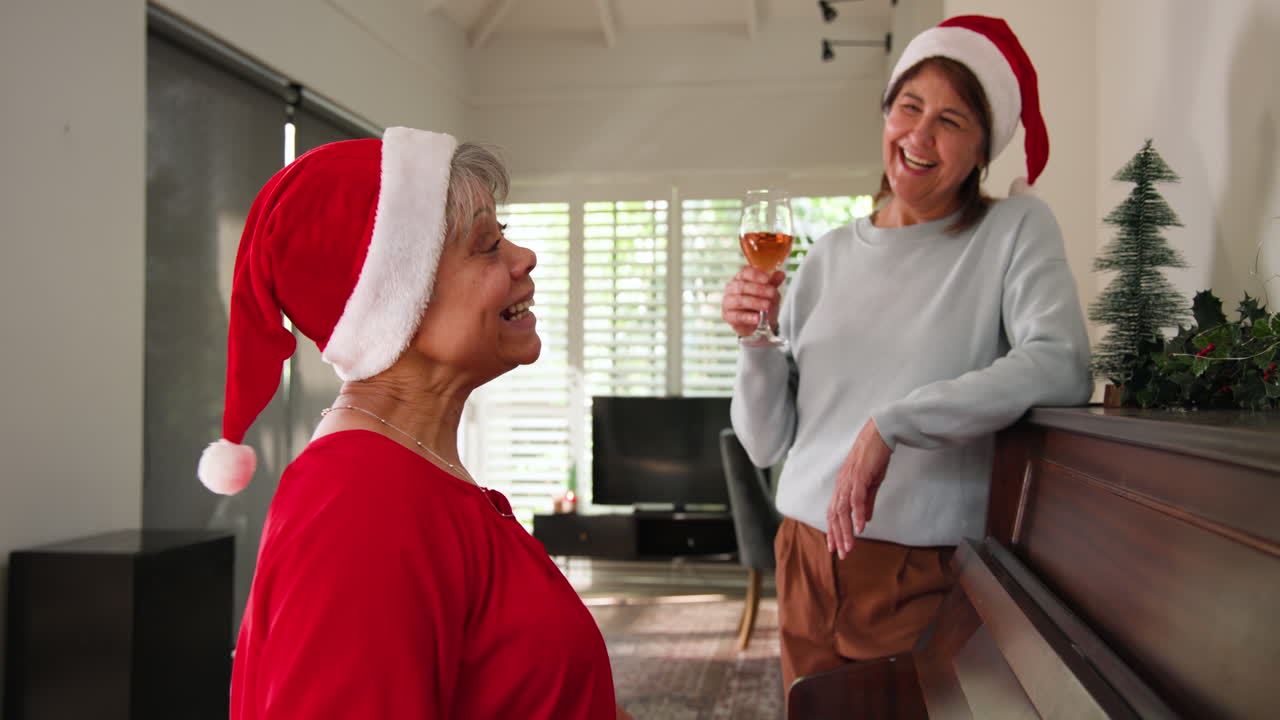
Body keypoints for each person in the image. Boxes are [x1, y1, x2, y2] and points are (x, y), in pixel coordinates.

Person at [196, 127, 629, 719]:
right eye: (486, 245)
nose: (524, 257)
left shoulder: (410, 472)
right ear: (398, 298)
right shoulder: (361, 502)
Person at [721, 16, 1092, 691]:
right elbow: (765, 443)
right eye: (908, 107)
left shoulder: (1011, 231)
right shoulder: (829, 254)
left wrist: (893, 423)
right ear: (886, 115)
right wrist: (755, 341)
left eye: (951, 121)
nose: (920, 136)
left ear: (983, 149)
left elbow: (1062, 364)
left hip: (920, 571)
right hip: (805, 554)